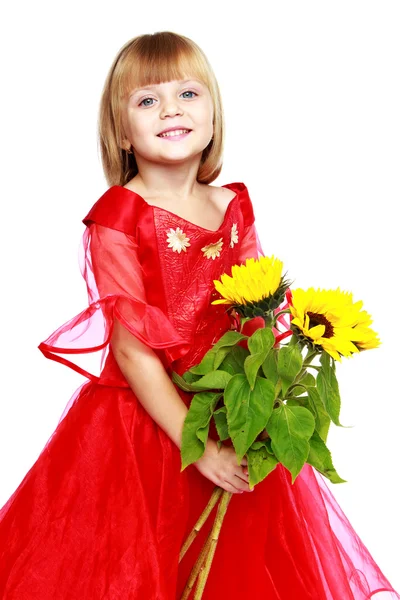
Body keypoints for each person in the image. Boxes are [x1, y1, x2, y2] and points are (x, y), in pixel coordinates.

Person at [0, 30, 398, 600]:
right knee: (137, 565)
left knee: (238, 564)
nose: (171, 110)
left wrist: (266, 399)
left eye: (188, 94)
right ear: (121, 132)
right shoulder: (120, 216)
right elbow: (131, 347)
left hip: (227, 408)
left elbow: (260, 312)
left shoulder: (231, 204)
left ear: (213, 118)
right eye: (147, 100)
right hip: (142, 426)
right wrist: (201, 448)